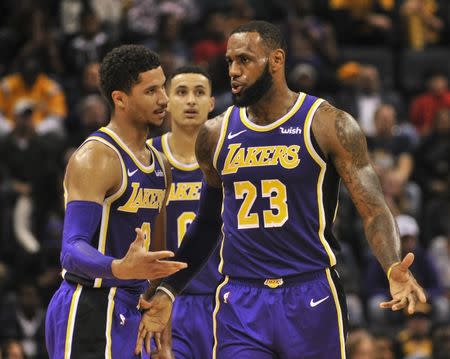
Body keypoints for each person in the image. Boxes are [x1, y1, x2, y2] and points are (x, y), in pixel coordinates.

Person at [137, 21, 426, 358]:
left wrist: (392, 266)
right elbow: (207, 224)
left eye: (245, 60)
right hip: (240, 299)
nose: (234, 71)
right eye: (230, 61)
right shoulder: (214, 134)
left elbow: (373, 208)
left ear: (276, 60)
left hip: (310, 292)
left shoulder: (327, 124)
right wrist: (169, 290)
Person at [45, 44, 186, 359]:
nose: (164, 99)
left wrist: (161, 323)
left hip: (132, 306)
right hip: (89, 305)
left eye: (163, 86)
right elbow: (71, 249)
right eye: (151, 91)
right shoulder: (97, 157)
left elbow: (155, 261)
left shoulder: (161, 166)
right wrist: (119, 267)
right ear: (120, 99)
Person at [148, 65, 222, 358]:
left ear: (212, 103)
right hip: (165, 299)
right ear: (167, 100)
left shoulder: (227, 160)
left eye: (199, 92)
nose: (191, 100)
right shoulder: (148, 157)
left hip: (221, 300)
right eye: (181, 92)